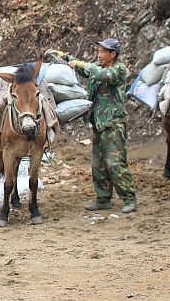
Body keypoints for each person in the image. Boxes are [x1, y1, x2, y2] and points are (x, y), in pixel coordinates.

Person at [49, 38, 137, 213]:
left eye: (104, 51)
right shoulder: (98, 68)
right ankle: (103, 199)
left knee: (114, 163)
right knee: (98, 165)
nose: (100, 54)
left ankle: (129, 198)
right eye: (99, 50)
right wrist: (66, 58)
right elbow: (85, 69)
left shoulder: (118, 70)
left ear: (113, 54)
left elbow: (100, 74)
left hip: (113, 124)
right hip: (98, 124)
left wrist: (80, 63)